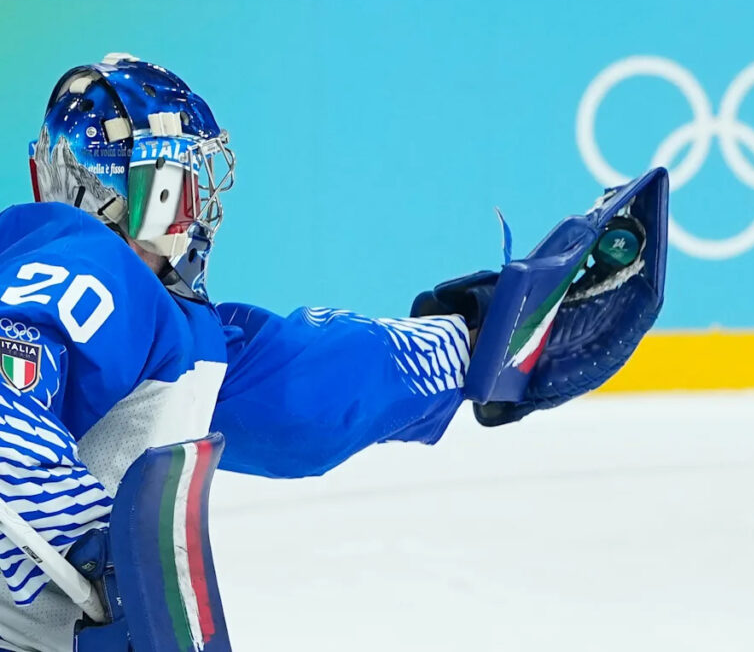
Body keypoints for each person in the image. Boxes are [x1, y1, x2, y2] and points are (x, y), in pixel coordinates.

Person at [0, 54, 665, 652]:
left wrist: (477, 340)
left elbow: (307, 386)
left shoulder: (174, 331)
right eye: (175, 186)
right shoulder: (84, 258)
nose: (195, 214)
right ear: (109, 189)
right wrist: (86, 539)